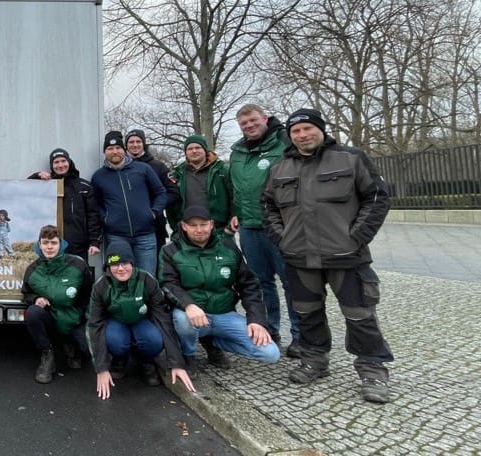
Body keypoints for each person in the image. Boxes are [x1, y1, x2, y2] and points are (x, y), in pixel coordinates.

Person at [262, 108, 394, 404]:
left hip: (346, 255)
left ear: (320, 129)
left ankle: (372, 369)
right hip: (298, 257)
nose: (302, 135)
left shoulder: (350, 158)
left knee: (360, 314)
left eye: (307, 129)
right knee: (307, 312)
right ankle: (315, 360)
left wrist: (357, 237)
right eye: (296, 131)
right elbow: (268, 206)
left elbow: (377, 197)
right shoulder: (279, 168)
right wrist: (282, 239)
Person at [161, 207, 280, 371]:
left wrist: (256, 320)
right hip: (192, 315)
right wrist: (188, 305)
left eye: (203, 224)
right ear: (183, 226)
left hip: (224, 313)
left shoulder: (228, 247)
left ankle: (213, 342)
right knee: (182, 322)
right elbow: (168, 283)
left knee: (270, 354)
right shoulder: (170, 251)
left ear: (211, 224)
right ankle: (188, 355)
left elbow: (248, 285)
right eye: (193, 225)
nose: (199, 230)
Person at [229, 104, 301, 356]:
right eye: (243, 123)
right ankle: (270, 328)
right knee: (261, 282)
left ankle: (300, 336)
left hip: (281, 227)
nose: (249, 126)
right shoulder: (237, 152)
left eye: (252, 120)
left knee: (292, 282)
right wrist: (235, 212)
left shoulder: (284, 143)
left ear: (265, 118)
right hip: (249, 227)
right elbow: (236, 187)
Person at [88, 247, 195, 399]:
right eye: (114, 264)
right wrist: (101, 368)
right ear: (108, 267)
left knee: (154, 341)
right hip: (116, 322)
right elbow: (94, 324)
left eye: (125, 263)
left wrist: (176, 363)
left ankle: (146, 361)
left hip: (141, 320)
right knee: (116, 342)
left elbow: (163, 318)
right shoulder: (101, 285)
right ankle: (119, 359)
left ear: (132, 263)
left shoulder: (147, 280)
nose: (120, 268)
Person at [20, 225, 92, 384]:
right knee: (33, 313)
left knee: (88, 350)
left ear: (60, 243)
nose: (49, 247)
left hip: (75, 319)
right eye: (45, 243)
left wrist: (82, 316)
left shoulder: (78, 265)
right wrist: (35, 298)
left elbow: (89, 294)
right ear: (39, 244)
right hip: (51, 317)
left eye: (53, 242)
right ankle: (47, 355)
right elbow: (26, 293)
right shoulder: (32, 270)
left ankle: (73, 346)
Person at [91, 131, 167, 274]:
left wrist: (154, 212)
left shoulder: (143, 169)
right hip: (116, 237)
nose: (114, 152)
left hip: (146, 235)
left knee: (147, 276)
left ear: (124, 150)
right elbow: (96, 203)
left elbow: (161, 193)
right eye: (110, 149)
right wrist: (106, 218)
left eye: (118, 148)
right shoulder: (98, 176)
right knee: (119, 276)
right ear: (104, 152)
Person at [27, 148, 101, 258]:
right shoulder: (46, 184)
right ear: (52, 165)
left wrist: (94, 242)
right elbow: (24, 188)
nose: (60, 165)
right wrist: (37, 176)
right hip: (51, 246)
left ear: (69, 162)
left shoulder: (84, 186)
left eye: (63, 161)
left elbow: (93, 216)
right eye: (56, 162)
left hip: (78, 246)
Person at [124, 130, 179, 256]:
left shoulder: (158, 166)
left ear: (144, 144)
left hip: (154, 225)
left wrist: (153, 208)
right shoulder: (120, 167)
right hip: (126, 227)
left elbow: (174, 192)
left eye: (138, 141)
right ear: (126, 145)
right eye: (131, 142)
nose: (135, 145)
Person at [166, 135, 232, 238]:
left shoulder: (222, 171)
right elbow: (170, 206)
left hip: (218, 231)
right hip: (186, 232)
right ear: (186, 152)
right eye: (190, 149)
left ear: (205, 150)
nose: (194, 151)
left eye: (198, 148)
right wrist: (176, 228)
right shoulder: (177, 175)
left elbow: (234, 197)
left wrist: (229, 227)